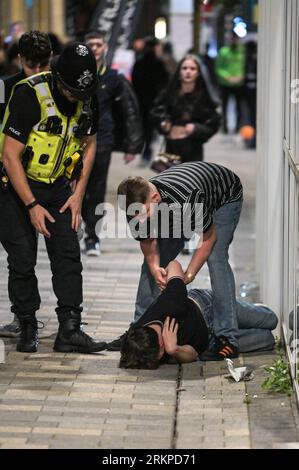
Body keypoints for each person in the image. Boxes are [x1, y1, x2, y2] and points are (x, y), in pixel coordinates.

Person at [0, 42, 107, 354]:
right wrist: (32, 206)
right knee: (22, 258)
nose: (80, 99)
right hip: (14, 187)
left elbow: (89, 144)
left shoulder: (87, 97)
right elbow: (9, 156)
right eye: (74, 92)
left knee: (68, 256)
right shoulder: (29, 94)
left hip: (57, 186)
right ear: (59, 80)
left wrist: (77, 196)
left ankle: (70, 330)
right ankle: (27, 323)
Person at [108, 162, 243, 359]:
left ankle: (227, 337)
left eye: (142, 214)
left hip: (224, 195)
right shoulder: (136, 206)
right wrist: (155, 269)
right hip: (174, 209)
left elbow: (208, 238)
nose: (138, 220)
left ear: (154, 198)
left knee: (216, 258)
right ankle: (138, 328)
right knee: (153, 263)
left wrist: (189, 273)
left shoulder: (188, 199)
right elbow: (148, 242)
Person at [119, 261, 278, 368]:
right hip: (211, 344)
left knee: (271, 320)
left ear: (160, 343)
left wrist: (177, 278)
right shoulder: (139, 341)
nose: (161, 358)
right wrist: (175, 350)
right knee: (267, 339)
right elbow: (193, 354)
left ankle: (245, 308)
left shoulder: (171, 304)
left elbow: (174, 264)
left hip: (210, 308)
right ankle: (234, 333)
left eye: (160, 355)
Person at [0, 31, 53, 339]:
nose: (36, 72)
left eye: (41, 65)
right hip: (8, 181)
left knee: (25, 255)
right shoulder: (5, 88)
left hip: (44, 183)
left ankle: (26, 316)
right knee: (21, 253)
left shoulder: (57, 90)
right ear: (20, 60)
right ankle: (25, 318)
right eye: (31, 65)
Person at [82, 31, 143, 256]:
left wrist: (132, 145)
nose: (95, 48)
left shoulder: (114, 78)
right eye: (91, 44)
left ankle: (92, 238)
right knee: (75, 188)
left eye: (99, 44)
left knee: (97, 189)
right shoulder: (75, 74)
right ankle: (75, 229)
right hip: (75, 140)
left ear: (105, 47)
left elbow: (130, 111)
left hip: (102, 139)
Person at [151, 54, 220, 163]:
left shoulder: (204, 98)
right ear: (179, 71)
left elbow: (214, 124)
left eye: (192, 69)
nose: (188, 71)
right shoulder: (169, 94)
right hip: (171, 147)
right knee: (170, 178)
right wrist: (164, 122)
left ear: (198, 73)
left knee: (191, 178)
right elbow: (156, 113)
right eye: (184, 68)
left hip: (193, 148)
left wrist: (196, 128)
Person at [132, 36, 169, 165]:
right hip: (149, 100)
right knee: (149, 128)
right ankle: (148, 151)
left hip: (149, 100)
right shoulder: (153, 63)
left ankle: (148, 151)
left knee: (149, 127)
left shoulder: (145, 62)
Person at [215, 34, 245, 133]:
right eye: (233, 39)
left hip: (239, 83)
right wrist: (227, 77)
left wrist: (241, 76)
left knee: (239, 106)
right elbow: (218, 67)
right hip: (225, 84)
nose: (234, 41)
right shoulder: (223, 52)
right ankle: (224, 127)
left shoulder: (242, 52)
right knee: (224, 106)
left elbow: (244, 66)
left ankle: (238, 127)